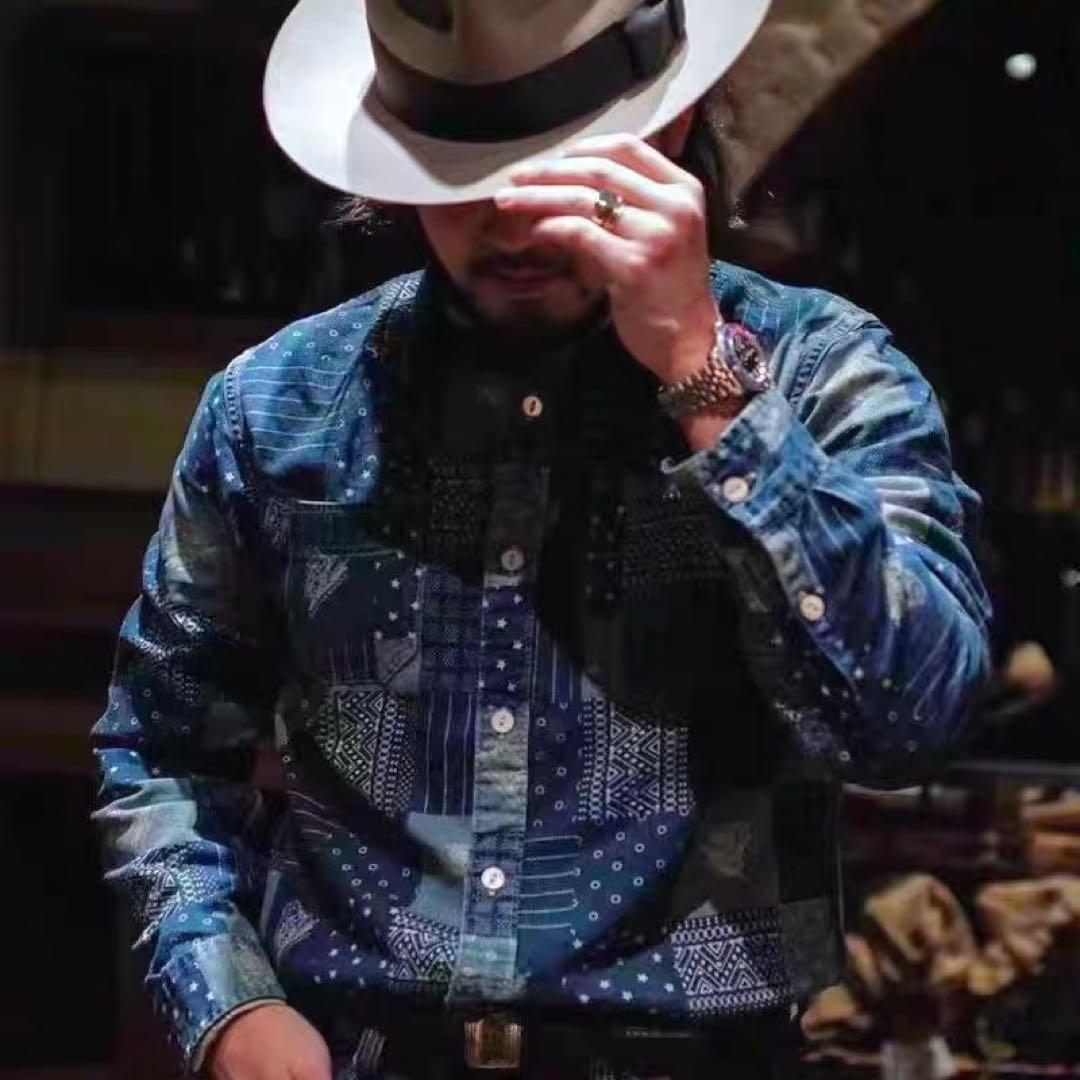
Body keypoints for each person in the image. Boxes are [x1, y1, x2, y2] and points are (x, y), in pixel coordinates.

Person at [90, 1, 992, 1077]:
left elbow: (907, 726)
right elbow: (160, 752)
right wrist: (229, 1004)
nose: (510, 222)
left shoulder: (819, 370)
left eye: (549, 166)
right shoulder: (275, 407)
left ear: (668, 126)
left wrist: (708, 384)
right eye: (460, 176)